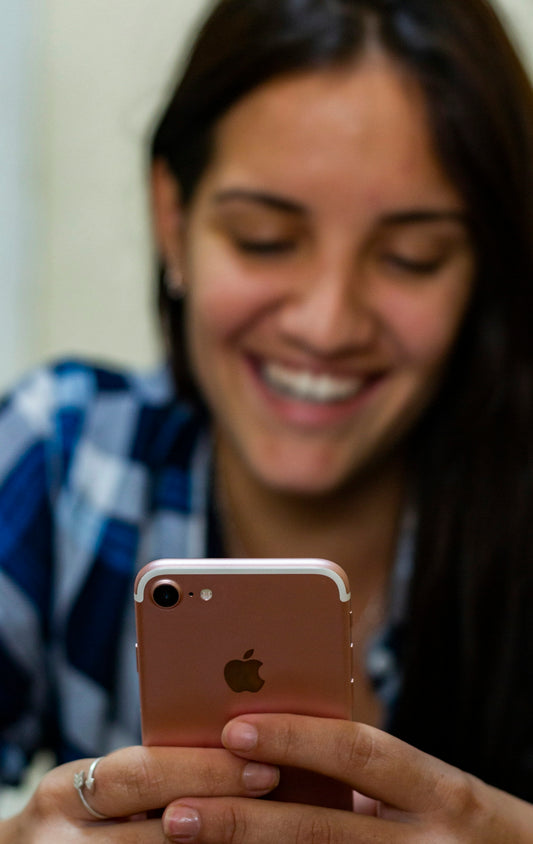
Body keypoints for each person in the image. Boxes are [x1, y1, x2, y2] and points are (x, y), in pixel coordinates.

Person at [1, 0, 533, 839]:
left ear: (485, 272)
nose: (326, 325)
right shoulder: (66, 454)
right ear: (172, 220)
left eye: (410, 258)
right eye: (263, 238)